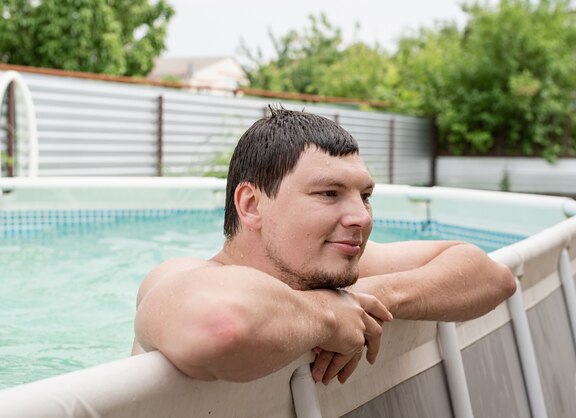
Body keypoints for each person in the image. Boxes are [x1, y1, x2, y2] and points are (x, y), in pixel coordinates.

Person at [132, 106, 516, 385]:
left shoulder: (332, 272)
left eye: (364, 195)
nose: (362, 217)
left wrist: (377, 295)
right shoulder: (178, 279)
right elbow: (224, 325)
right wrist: (330, 316)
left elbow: (491, 277)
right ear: (252, 205)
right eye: (329, 193)